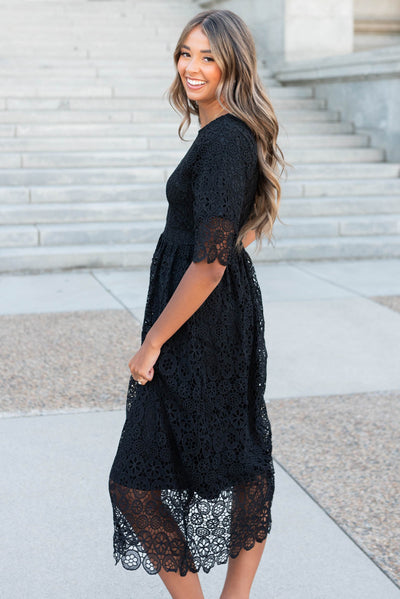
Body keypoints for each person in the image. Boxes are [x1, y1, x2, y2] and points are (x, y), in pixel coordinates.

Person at [108, 8, 288, 599]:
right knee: (235, 455)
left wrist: (153, 341)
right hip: (206, 314)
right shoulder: (224, 134)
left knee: (140, 481)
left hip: (199, 324)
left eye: (208, 56)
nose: (192, 67)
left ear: (233, 63)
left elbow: (211, 260)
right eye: (186, 53)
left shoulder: (227, 139)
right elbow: (234, 230)